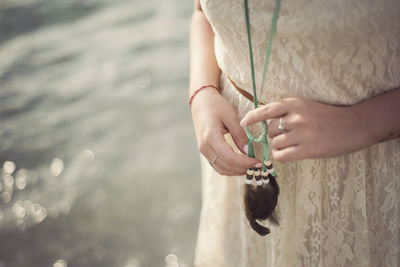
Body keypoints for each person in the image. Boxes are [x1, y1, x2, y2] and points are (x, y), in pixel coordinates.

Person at [189, 0, 400, 266]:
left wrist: (361, 123)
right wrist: (201, 92)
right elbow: (200, 11)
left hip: (369, 165)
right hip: (239, 164)